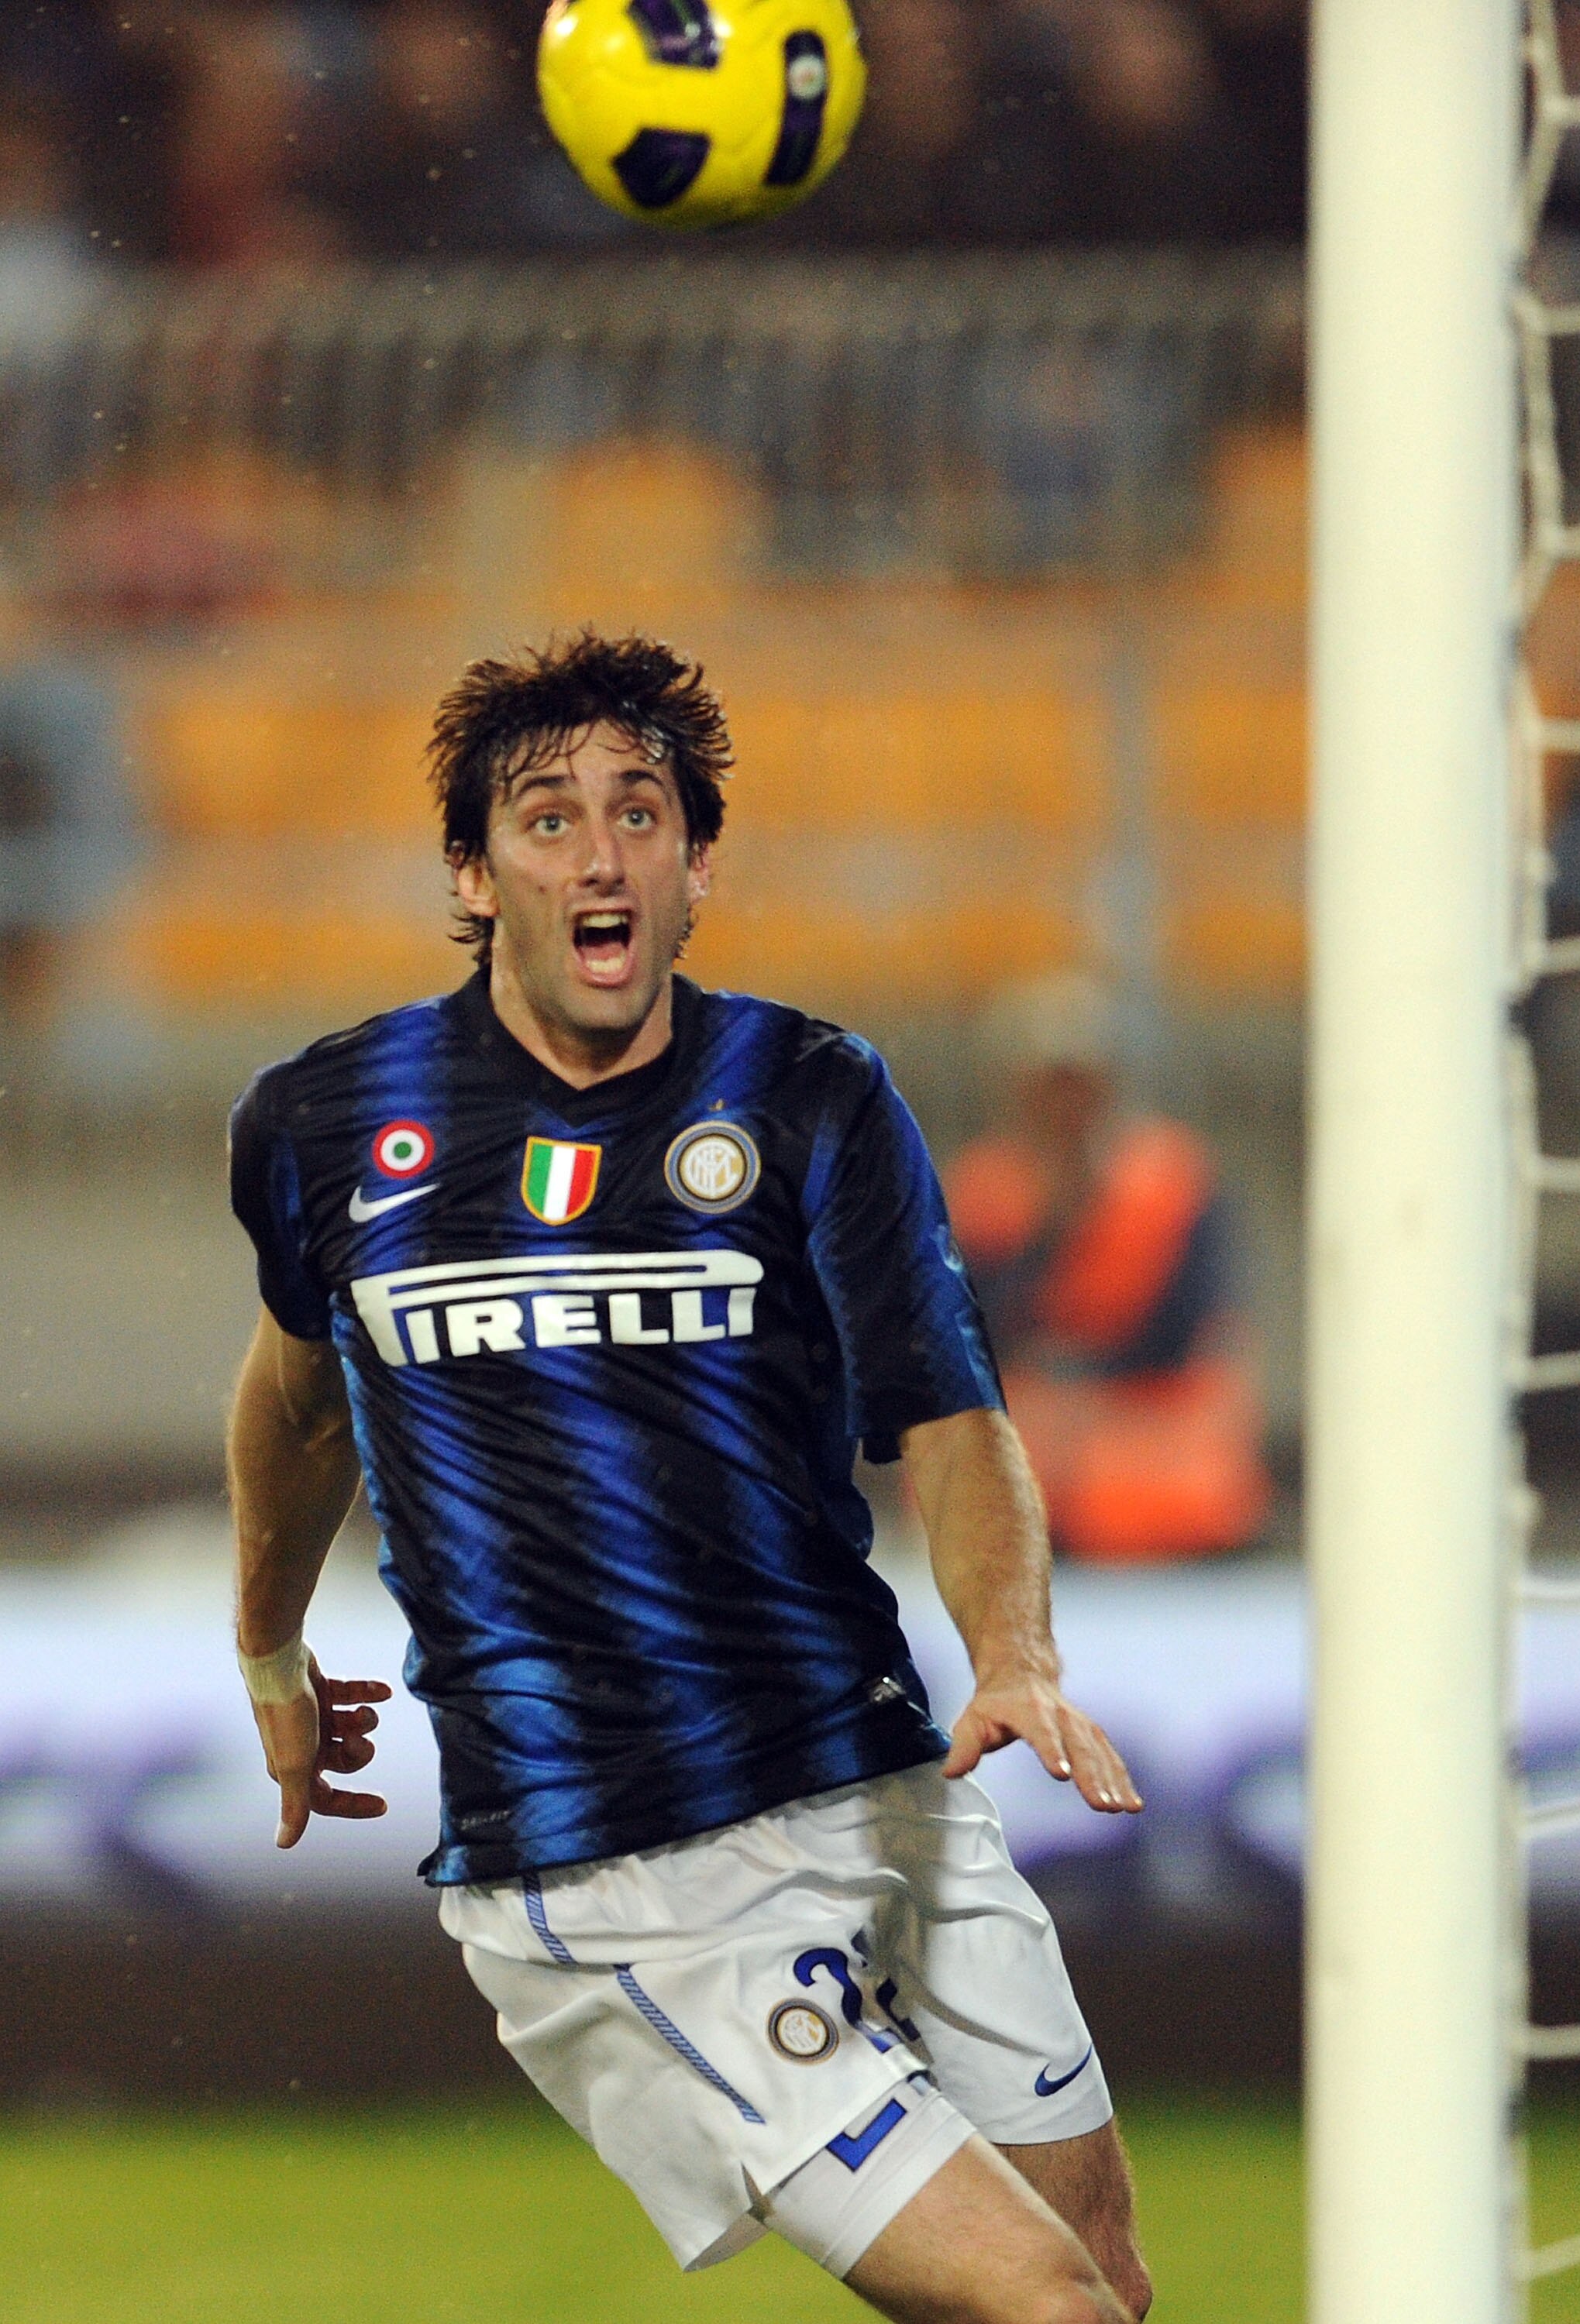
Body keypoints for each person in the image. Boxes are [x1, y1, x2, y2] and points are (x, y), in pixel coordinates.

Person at [225, 631, 1152, 2324]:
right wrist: (270, 1649)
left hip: (877, 1784)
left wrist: (1014, 1652)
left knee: (1108, 2286)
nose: (600, 852)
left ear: (696, 866)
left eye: (640, 813)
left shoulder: (808, 1097)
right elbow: (296, 1400)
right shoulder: (329, 1123)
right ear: (471, 869)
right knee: (1048, 2309)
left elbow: (950, 1415)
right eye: (548, 816)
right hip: (611, 1858)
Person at [943, 975, 1271, 1565]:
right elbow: (971, 1331)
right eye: (1048, 1088)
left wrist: (1083, 1380)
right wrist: (1050, 1229)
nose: (1064, 1107)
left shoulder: (1172, 1182)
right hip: (1039, 1425)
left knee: (1166, 1465)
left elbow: (1181, 1331)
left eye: (1078, 1087)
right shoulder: (985, 1192)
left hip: (1150, 1419)